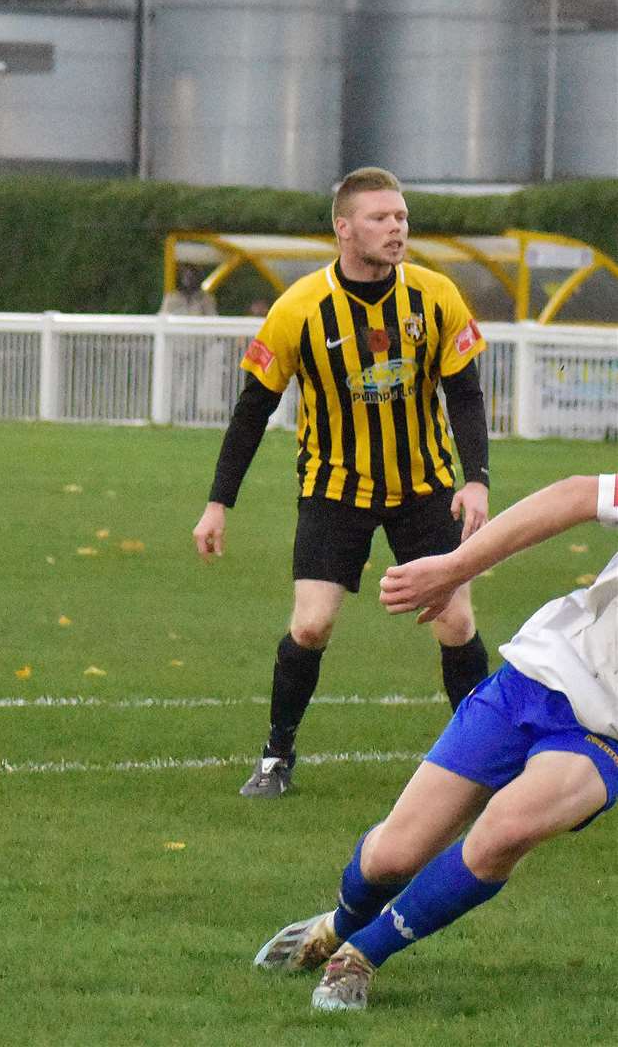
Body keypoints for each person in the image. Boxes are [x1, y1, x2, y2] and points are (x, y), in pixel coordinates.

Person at [254, 473, 618, 1011]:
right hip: (540, 674)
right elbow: (577, 496)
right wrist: (453, 568)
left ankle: (360, 956)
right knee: (392, 858)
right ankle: (340, 924)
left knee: (507, 829)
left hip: (606, 733)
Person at [192, 166, 492, 798]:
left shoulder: (435, 296)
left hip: (425, 488)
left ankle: (484, 762)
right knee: (311, 626)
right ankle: (276, 758)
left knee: (456, 623)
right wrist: (218, 503)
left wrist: (477, 481)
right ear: (344, 228)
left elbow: (465, 393)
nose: (396, 229)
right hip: (334, 492)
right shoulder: (298, 308)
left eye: (402, 218)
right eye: (381, 218)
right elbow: (253, 410)